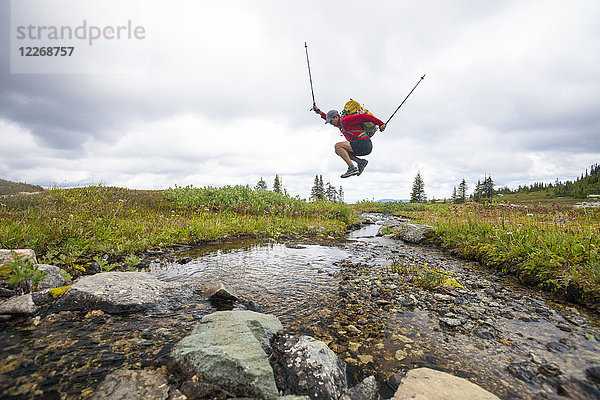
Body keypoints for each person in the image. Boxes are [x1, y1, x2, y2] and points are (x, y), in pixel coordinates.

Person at [312, 105, 386, 178]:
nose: (330, 123)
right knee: (339, 151)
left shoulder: (346, 120)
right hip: (360, 145)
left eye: (331, 121)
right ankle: (360, 162)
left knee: (338, 146)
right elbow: (326, 117)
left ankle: (352, 168)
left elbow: (365, 116)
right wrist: (318, 111)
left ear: (336, 117)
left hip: (364, 143)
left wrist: (380, 123)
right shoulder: (339, 124)